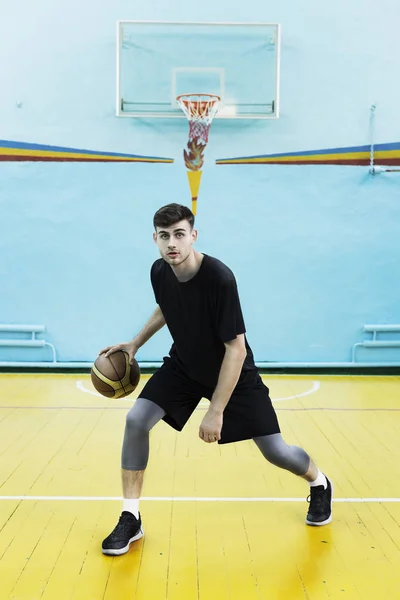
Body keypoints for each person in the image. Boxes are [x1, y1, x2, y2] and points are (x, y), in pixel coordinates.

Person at [100, 203, 333, 556]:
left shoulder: (219, 279)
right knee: (136, 420)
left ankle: (319, 482)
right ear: (155, 239)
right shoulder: (159, 271)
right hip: (185, 365)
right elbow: (166, 307)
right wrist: (134, 343)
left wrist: (216, 410)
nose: (172, 244)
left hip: (232, 372)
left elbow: (236, 350)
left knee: (275, 452)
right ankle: (130, 518)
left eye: (179, 234)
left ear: (193, 235)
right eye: (164, 237)